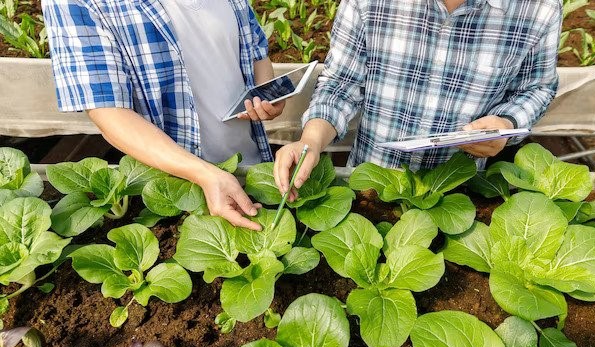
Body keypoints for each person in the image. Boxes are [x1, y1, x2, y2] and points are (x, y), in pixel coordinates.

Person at [274, 0, 561, 197]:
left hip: (457, 190)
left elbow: (536, 88)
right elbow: (341, 83)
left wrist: (505, 124)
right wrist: (310, 141)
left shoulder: (538, 8)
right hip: (373, 182)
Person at [42, 0, 285, 231]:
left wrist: (266, 95)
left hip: (254, 170)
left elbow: (255, 51)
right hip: (177, 196)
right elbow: (109, 113)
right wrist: (204, 174)